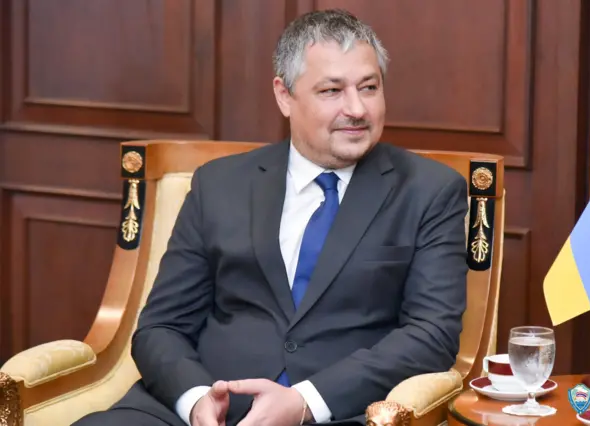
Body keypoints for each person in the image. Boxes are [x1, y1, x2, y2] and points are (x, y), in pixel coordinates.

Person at [74, 8, 468, 426]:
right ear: (284, 95)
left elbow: (431, 335)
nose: (357, 108)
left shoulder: (428, 191)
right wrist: (196, 399)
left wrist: (305, 401)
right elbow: (161, 326)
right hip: (203, 410)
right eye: (332, 90)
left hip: (336, 412)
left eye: (369, 88)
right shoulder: (218, 184)